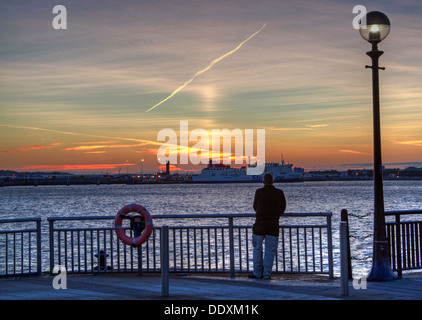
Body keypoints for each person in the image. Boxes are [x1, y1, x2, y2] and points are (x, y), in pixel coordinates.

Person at [249, 173, 286, 280]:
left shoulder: (259, 192)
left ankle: (257, 273)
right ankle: (266, 274)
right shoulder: (279, 193)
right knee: (270, 250)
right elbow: (283, 209)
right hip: (273, 224)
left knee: (257, 249)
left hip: (260, 224)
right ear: (273, 181)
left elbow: (255, 207)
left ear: (263, 181)